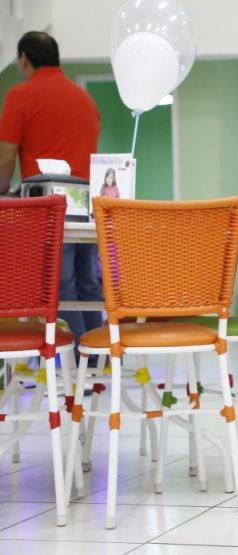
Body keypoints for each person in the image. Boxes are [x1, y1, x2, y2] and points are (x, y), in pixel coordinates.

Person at [0, 31, 103, 361]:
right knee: (87, 281)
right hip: (88, 204)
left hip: (49, 207)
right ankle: (98, 357)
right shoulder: (84, 99)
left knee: (61, 283)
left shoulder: (20, 95)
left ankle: (77, 360)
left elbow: (5, 158)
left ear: (24, 59)